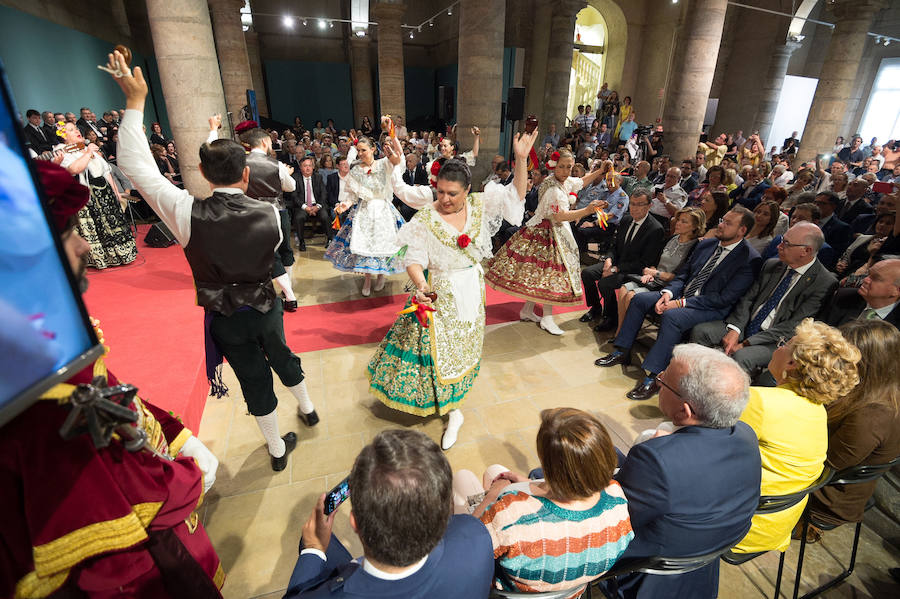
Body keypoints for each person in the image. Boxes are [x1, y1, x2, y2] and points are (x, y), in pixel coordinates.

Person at [0, 159, 224, 597]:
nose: (84, 246)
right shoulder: (39, 382)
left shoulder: (44, 332)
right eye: (68, 234)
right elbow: (98, 492)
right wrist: (184, 473)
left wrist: (174, 432)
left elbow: (111, 397)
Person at [110, 51, 318, 473]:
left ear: (204, 175)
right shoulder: (270, 217)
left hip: (224, 317)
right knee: (282, 355)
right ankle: (309, 409)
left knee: (252, 378)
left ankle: (277, 450)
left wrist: (135, 104)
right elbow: (274, 259)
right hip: (265, 307)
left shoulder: (186, 214)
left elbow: (135, 166)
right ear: (246, 174)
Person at [367, 129, 537, 449]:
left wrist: (521, 159)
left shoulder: (481, 203)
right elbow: (413, 260)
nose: (445, 199)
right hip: (439, 292)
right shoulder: (425, 218)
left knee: (463, 348)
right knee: (435, 351)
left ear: (467, 190)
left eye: (452, 194)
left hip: (472, 289)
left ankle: (454, 407)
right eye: (441, 191)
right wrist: (421, 285)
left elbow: (516, 196)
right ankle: (448, 407)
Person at [611, 344, 761, 599]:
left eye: (664, 381)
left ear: (685, 411)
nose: (658, 381)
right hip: (706, 555)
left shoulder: (656, 460)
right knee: (609, 452)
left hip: (646, 569)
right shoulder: (746, 435)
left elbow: (612, 518)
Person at [284, 429, 494, 598]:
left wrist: (313, 549)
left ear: (355, 522)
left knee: (311, 545)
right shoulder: (475, 535)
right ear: (445, 517)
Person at [452, 408, 633, 594]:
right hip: (572, 591)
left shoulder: (509, 516)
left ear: (546, 465)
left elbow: (467, 547)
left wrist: (492, 494)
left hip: (513, 592)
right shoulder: (617, 499)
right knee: (494, 470)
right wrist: (531, 484)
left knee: (462, 478)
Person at [596, 207, 761, 401]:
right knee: (640, 299)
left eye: (727, 223)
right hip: (682, 295)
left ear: (742, 230)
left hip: (710, 308)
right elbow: (683, 274)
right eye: (722, 220)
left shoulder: (749, 259)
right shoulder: (707, 245)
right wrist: (668, 293)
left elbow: (724, 298)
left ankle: (654, 375)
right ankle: (622, 350)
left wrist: (680, 303)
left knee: (672, 316)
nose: (721, 225)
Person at [732, 319, 861, 554]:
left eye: (784, 343)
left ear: (792, 363)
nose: (778, 347)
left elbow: (703, 450)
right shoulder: (818, 413)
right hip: (776, 528)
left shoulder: (760, 402)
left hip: (737, 527)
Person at [691, 222, 838, 380]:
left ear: (806, 251)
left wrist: (747, 342)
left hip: (776, 340)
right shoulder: (772, 265)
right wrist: (735, 329)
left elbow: (795, 326)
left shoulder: (824, 281)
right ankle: (693, 381)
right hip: (745, 326)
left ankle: (721, 399)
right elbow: (748, 299)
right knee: (701, 332)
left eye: (786, 243)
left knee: (742, 356)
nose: (778, 246)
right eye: (782, 240)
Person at [484, 148, 606, 335]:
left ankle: (527, 310)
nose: (566, 171)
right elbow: (559, 216)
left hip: (550, 230)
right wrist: (586, 211)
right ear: (553, 167)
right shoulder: (553, 190)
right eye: (562, 167)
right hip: (548, 233)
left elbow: (580, 181)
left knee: (540, 276)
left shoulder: (561, 181)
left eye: (569, 167)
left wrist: (600, 171)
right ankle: (547, 319)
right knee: (551, 276)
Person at [804, 320, 900, 539]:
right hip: (831, 484)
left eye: (843, 352)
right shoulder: (879, 394)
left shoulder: (872, 416)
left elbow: (824, 465)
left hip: (825, 500)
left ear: (865, 362)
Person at [324, 132, 408, 296]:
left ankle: (382, 276)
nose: (361, 153)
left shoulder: (384, 163)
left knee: (383, 244)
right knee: (366, 245)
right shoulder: (356, 171)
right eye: (358, 150)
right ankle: (368, 278)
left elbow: (398, 160)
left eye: (363, 150)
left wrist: (391, 144)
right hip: (365, 210)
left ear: (373, 149)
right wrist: (344, 205)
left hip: (383, 209)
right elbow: (352, 195)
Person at [578, 189, 666, 332]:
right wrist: (608, 260)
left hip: (633, 270)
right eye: (632, 204)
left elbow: (644, 262)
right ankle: (595, 308)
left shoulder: (655, 229)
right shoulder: (626, 219)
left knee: (605, 283)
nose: (634, 208)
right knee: (587, 273)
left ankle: (611, 317)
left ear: (649, 206)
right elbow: (614, 246)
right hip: (617, 262)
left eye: (639, 204)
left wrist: (615, 269)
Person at [234, 123, 300, 311]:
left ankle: (286, 290)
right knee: (285, 250)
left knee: (269, 253)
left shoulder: (241, 164)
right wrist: (286, 174)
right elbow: (292, 187)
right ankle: (289, 292)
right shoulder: (276, 164)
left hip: (254, 213)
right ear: (264, 142)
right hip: (278, 211)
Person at [56, 120, 137, 269]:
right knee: (97, 228)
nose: (76, 131)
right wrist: (88, 153)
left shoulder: (85, 148)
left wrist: (115, 193)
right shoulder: (63, 150)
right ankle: (101, 258)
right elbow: (74, 169)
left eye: (76, 128)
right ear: (63, 136)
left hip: (104, 191)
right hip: (87, 194)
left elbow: (107, 172)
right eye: (71, 130)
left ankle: (119, 254)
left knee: (112, 225)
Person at [613, 208, 705, 337]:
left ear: (695, 226)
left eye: (684, 222)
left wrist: (654, 273)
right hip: (653, 279)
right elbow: (654, 261)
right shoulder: (673, 238)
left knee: (630, 296)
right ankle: (620, 330)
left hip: (668, 287)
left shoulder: (695, 246)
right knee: (623, 289)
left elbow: (680, 277)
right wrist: (649, 273)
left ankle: (626, 335)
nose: (678, 223)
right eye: (678, 219)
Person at [821, 258, 900, 329]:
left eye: (875, 278)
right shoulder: (844, 296)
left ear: (896, 291)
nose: (865, 280)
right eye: (868, 274)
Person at [294, 155, 333, 250]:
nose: (308, 168)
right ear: (300, 167)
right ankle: (301, 241)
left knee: (325, 216)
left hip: (317, 204)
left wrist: (318, 206)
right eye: (305, 166)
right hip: (303, 205)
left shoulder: (318, 177)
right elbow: (294, 196)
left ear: (313, 167)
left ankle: (330, 239)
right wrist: (305, 207)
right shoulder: (295, 177)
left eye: (310, 165)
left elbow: (324, 193)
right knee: (299, 217)